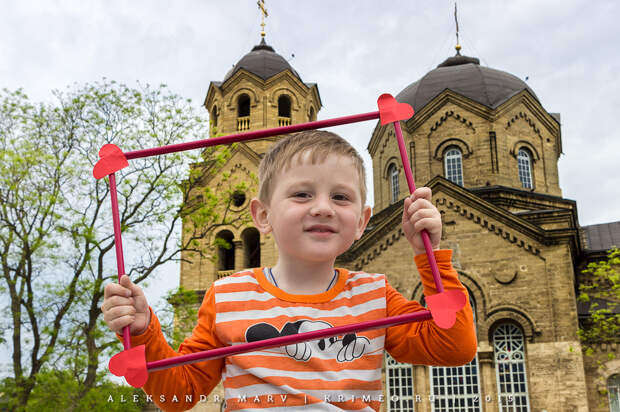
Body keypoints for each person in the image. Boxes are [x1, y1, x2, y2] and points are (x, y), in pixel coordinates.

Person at [102, 130, 477, 411]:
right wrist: (144, 333)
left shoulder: (374, 295)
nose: (323, 208)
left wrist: (430, 255)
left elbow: (455, 346)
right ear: (262, 215)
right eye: (302, 194)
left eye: (341, 197)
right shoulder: (228, 297)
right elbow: (179, 394)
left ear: (362, 221)